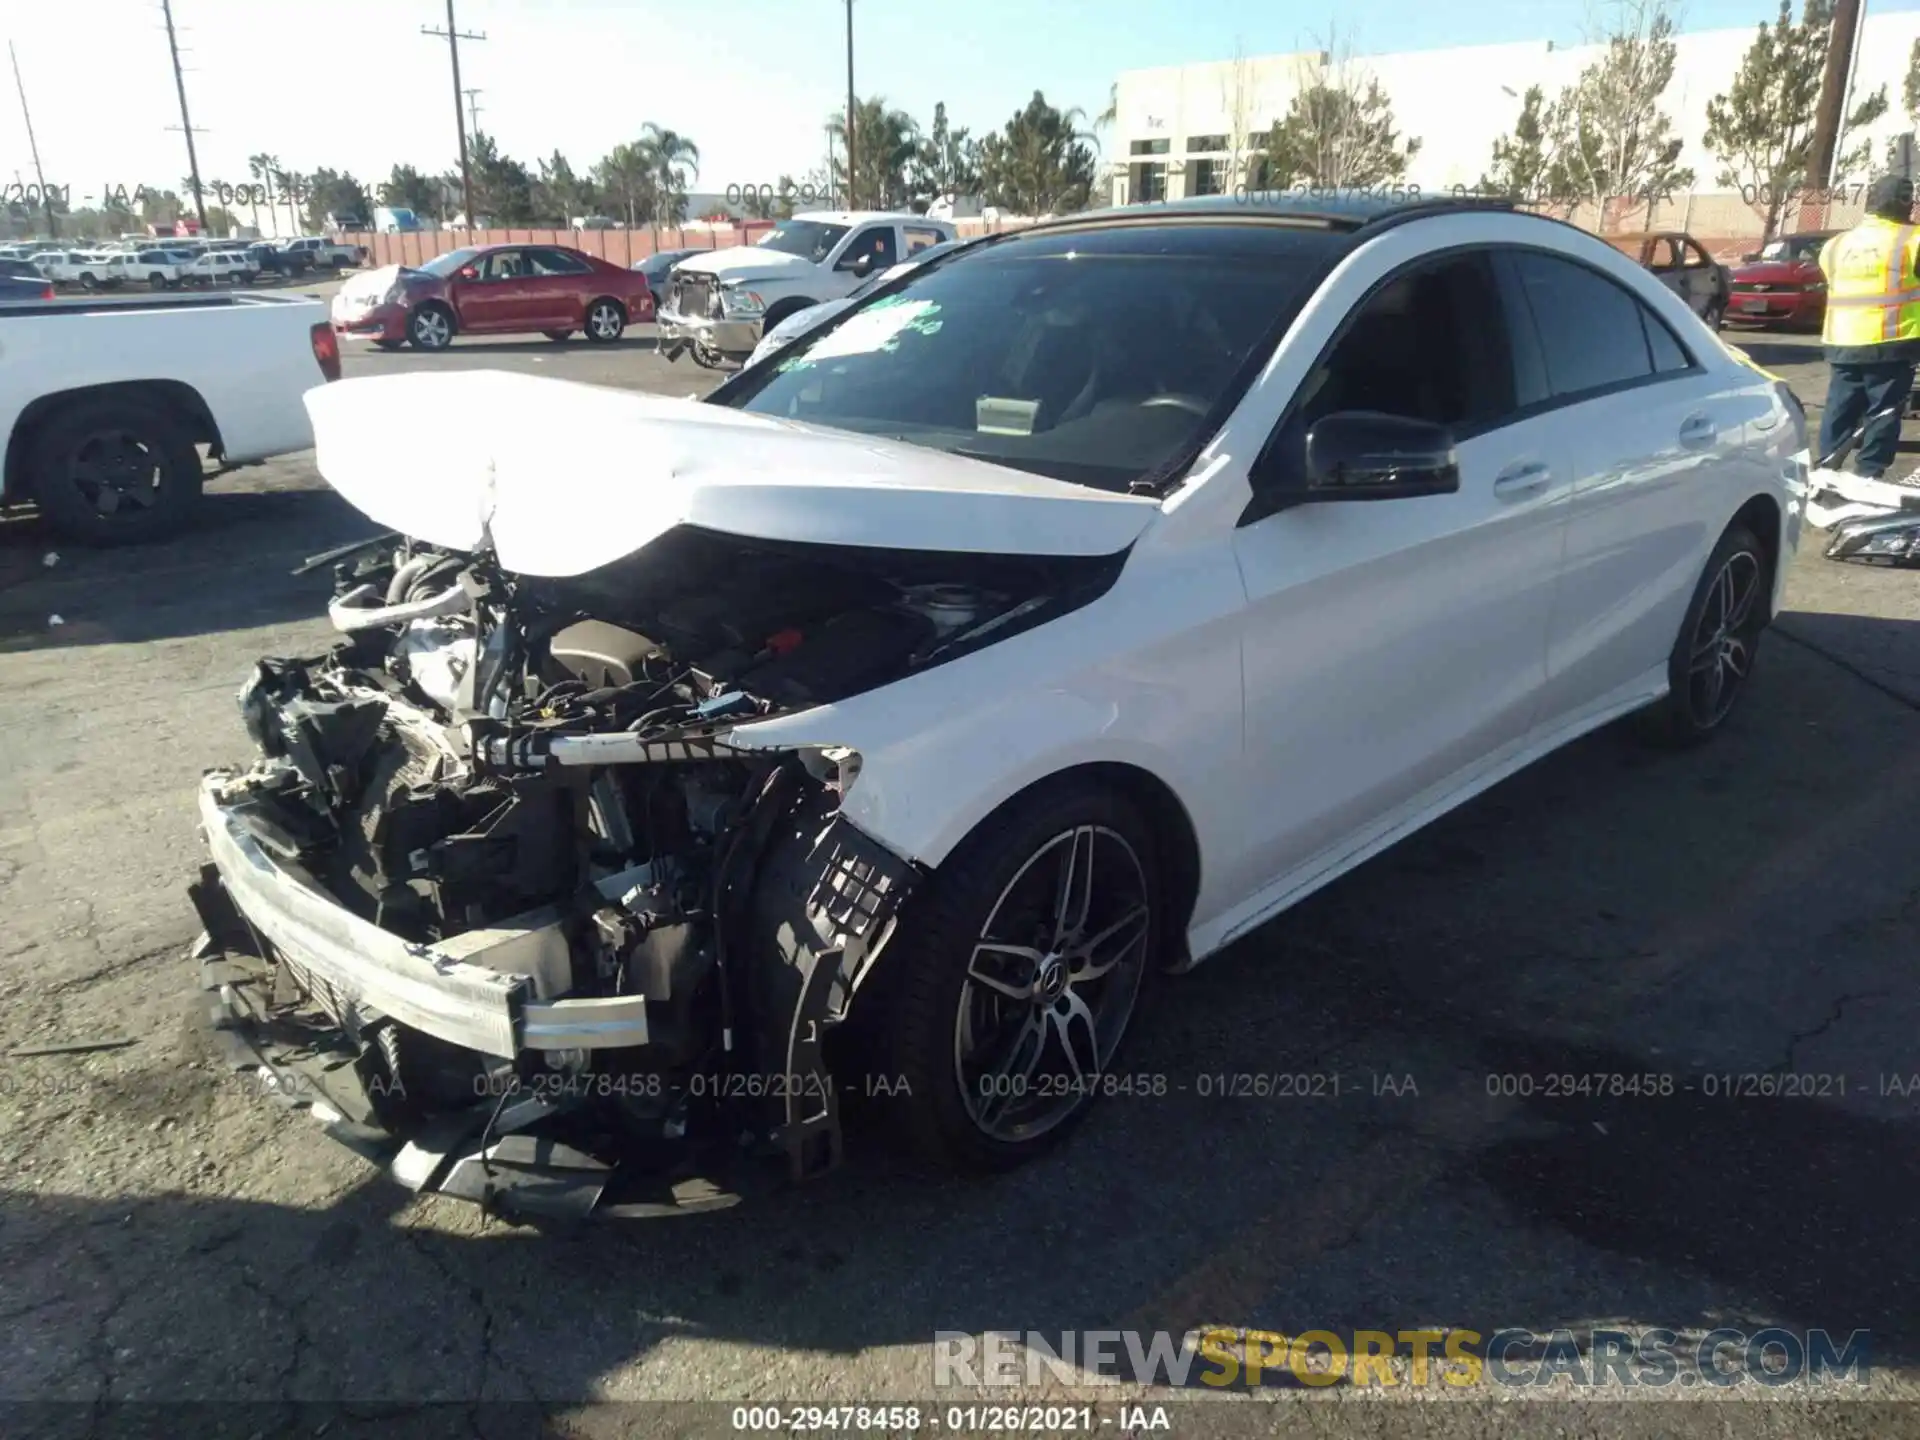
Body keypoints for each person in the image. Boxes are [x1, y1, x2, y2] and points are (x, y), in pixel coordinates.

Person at [1815, 174, 1920, 489]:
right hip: (1890, 340)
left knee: (1840, 408)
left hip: (1842, 340)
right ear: (1906, 205)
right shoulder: (1912, 240)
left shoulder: (1837, 244)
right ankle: (1868, 478)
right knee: (1883, 411)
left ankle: (1825, 472)